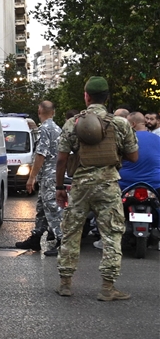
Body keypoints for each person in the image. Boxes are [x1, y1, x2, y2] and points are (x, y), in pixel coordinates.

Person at [54, 76, 139, 301]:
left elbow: (61, 159)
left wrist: (59, 186)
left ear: (86, 96)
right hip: (108, 185)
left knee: (71, 231)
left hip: (80, 186)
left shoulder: (73, 122)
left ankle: (65, 283)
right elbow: (134, 156)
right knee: (111, 234)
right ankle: (107, 288)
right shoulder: (120, 123)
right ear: (107, 98)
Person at [18, 101, 63, 255]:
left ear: (39, 112)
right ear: (53, 112)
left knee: (52, 207)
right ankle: (36, 238)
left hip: (48, 175)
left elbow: (41, 154)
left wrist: (32, 177)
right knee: (42, 208)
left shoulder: (44, 129)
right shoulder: (57, 129)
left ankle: (62, 240)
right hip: (54, 173)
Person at [118, 112, 160, 191]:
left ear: (133, 124)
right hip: (155, 184)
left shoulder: (125, 139)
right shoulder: (158, 138)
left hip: (126, 184)